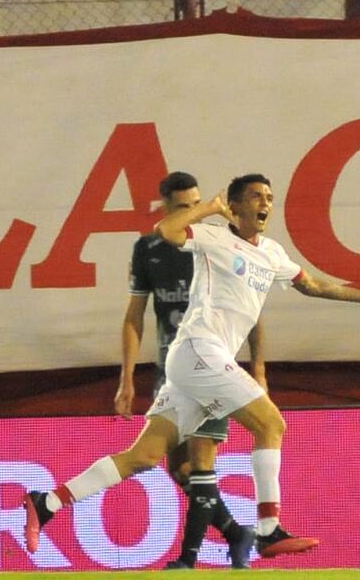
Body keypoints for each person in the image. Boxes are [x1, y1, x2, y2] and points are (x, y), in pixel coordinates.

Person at [25, 173, 360, 564]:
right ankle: (268, 529)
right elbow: (165, 229)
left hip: (197, 362)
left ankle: (47, 502)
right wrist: (209, 208)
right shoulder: (212, 236)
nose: (265, 203)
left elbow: (314, 285)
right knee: (271, 425)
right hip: (198, 350)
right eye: (256, 196)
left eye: (270, 197)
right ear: (235, 205)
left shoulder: (272, 253)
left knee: (145, 456)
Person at [116, 171, 260, 569]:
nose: (194, 214)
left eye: (198, 205)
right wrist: (127, 377)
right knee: (178, 468)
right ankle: (235, 532)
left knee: (199, 461)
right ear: (165, 208)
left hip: (213, 364)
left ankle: (188, 560)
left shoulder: (219, 243)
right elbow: (135, 315)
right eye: (184, 207)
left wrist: (259, 368)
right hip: (172, 368)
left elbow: (253, 310)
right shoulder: (149, 249)